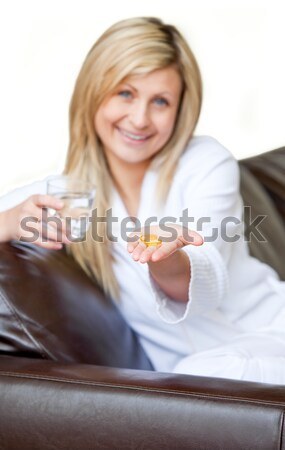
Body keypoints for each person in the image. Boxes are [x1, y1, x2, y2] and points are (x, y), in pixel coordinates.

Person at [0, 16, 285, 384]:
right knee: (201, 380)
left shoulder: (205, 162)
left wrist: (165, 255)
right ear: (94, 92)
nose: (139, 119)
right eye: (125, 93)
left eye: (160, 102)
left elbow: (203, 268)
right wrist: (6, 221)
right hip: (199, 377)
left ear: (180, 110)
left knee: (213, 377)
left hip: (271, 332)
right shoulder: (64, 195)